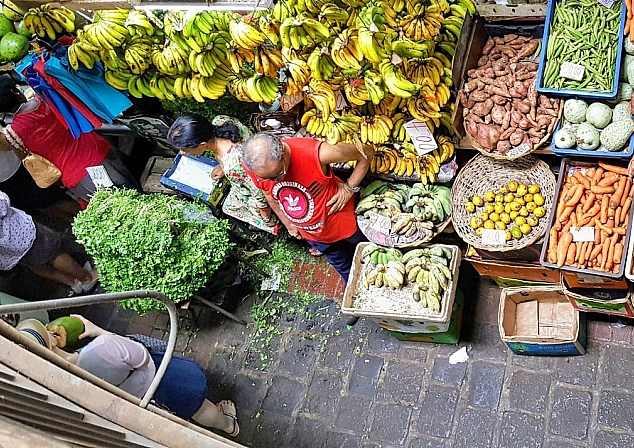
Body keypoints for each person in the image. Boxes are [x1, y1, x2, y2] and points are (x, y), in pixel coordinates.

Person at [16, 316, 239, 437]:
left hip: (138, 400)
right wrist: (100, 332)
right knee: (200, 407)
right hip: (159, 377)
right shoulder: (104, 346)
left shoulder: (61, 382)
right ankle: (228, 425)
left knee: (184, 411)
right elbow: (141, 356)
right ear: (54, 338)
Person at [242, 133, 374, 283]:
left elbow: (366, 152)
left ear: (283, 151)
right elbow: (269, 193)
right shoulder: (255, 166)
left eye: (278, 174)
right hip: (315, 237)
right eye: (268, 178)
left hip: (345, 226)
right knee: (346, 270)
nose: (274, 181)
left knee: (372, 258)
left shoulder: (316, 153)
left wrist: (349, 188)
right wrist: (288, 223)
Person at [0, 78, 139, 204]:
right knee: (136, 190)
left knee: (122, 208)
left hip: (79, 177)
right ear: (15, 91)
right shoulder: (45, 97)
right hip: (97, 150)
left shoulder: (12, 135)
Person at [167, 114, 280, 234]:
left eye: (186, 149)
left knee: (229, 207)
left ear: (202, 144)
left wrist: (265, 216)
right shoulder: (220, 121)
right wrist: (222, 166)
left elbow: (259, 192)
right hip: (257, 152)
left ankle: (275, 223)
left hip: (265, 183)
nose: (182, 152)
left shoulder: (233, 166)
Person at [0, 190, 98, 294]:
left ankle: (73, 282)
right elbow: (3, 204)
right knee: (53, 253)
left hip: (7, 254)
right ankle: (86, 278)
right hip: (20, 234)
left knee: (37, 265)